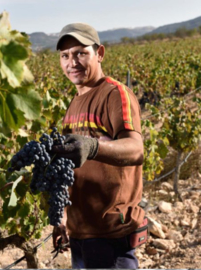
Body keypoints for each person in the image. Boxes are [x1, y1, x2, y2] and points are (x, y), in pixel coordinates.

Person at [51, 22, 145, 269]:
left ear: (99, 53)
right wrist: (62, 219)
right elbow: (67, 168)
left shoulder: (114, 93)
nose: (73, 62)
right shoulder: (74, 103)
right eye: (65, 56)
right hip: (81, 233)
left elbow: (136, 149)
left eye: (81, 53)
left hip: (110, 234)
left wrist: (93, 147)